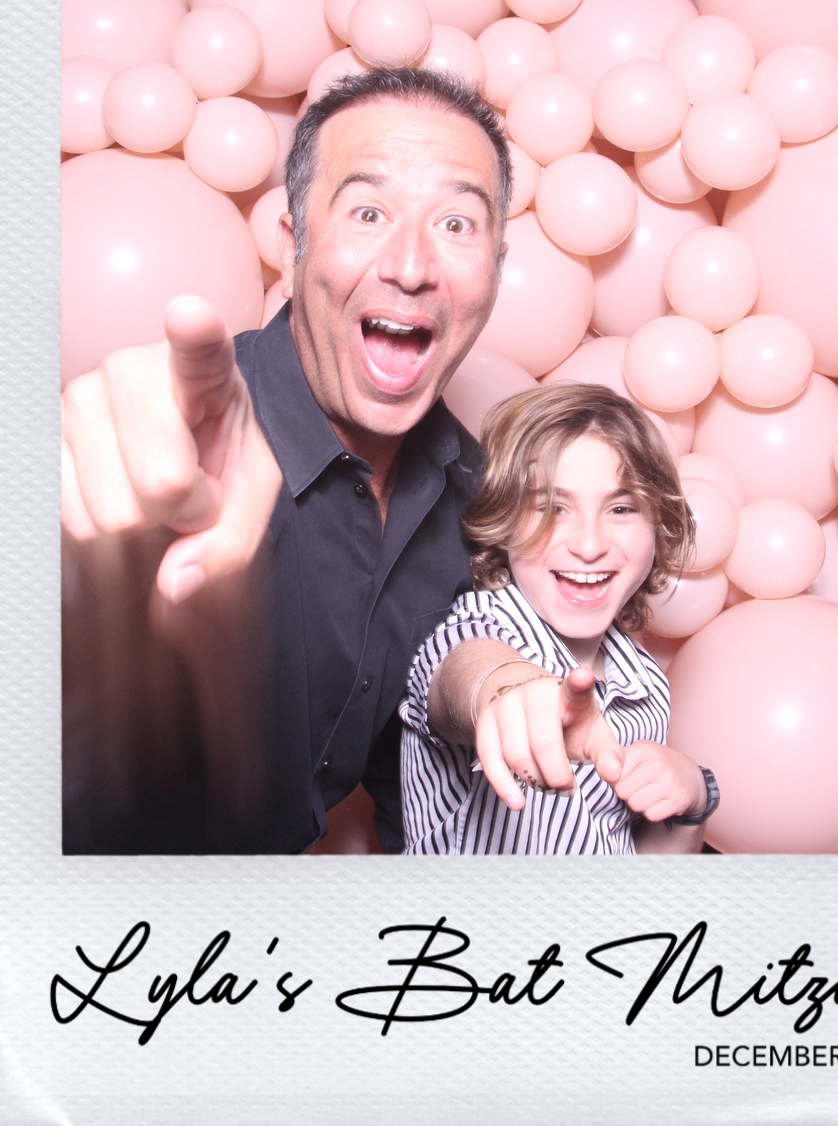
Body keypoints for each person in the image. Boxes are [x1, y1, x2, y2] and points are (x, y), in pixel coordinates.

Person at [61, 65, 630, 855]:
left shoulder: (477, 497)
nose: (411, 265)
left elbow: (427, 769)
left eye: (457, 224)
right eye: (368, 212)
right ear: (293, 243)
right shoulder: (184, 434)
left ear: (497, 269)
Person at [400, 383, 719, 854]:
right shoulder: (481, 625)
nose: (589, 546)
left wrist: (693, 801)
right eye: (552, 508)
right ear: (504, 520)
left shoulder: (647, 683)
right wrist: (503, 687)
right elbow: (462, 667)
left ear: (658, 527)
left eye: (621, 508)